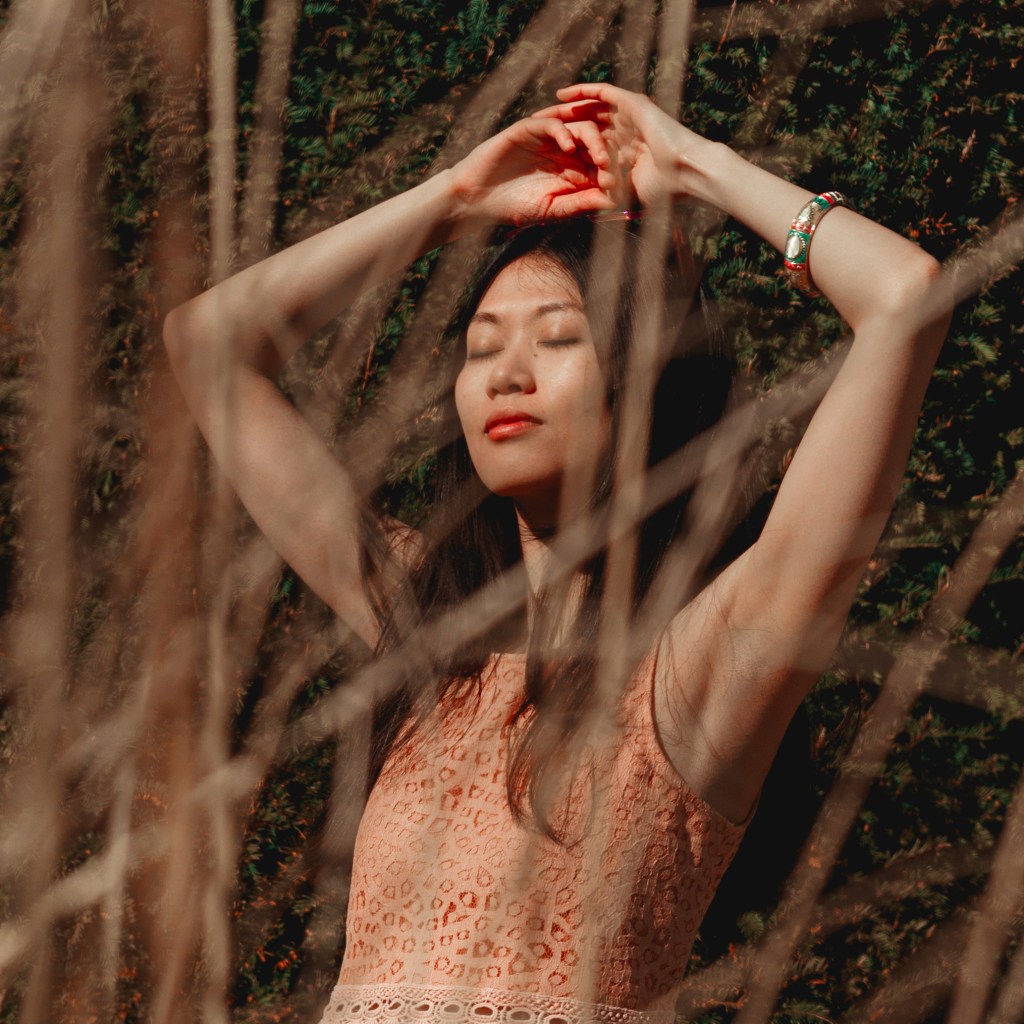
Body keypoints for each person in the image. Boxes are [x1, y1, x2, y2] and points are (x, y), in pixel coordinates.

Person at [164, 83, 950, 1023]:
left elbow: (905, 298)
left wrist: (696, 165)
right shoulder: (425, 623)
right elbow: (209, 341)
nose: (507, 372)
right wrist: (455, 197)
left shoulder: (711, 658)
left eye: (559, 337)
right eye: (481, 344)